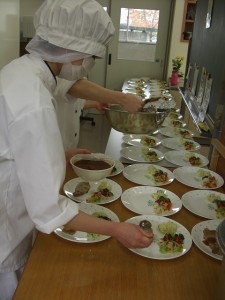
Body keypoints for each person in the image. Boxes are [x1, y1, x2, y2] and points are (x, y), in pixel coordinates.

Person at [0, 1, 153, 299]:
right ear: (74, 50)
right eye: (91, 56)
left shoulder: (23, 69)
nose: (89, 64)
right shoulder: (33, 99)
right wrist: (118, 230)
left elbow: (16, 146)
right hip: (6, 230)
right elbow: (49, 209)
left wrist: (60, 155)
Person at [54, 76, 145, 150]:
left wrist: (95, 103)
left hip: (67, 146)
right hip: (55, 144)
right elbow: (72, 87)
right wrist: (123, 99)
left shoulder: (71, 68)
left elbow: (74, 103)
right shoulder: (54, 66)